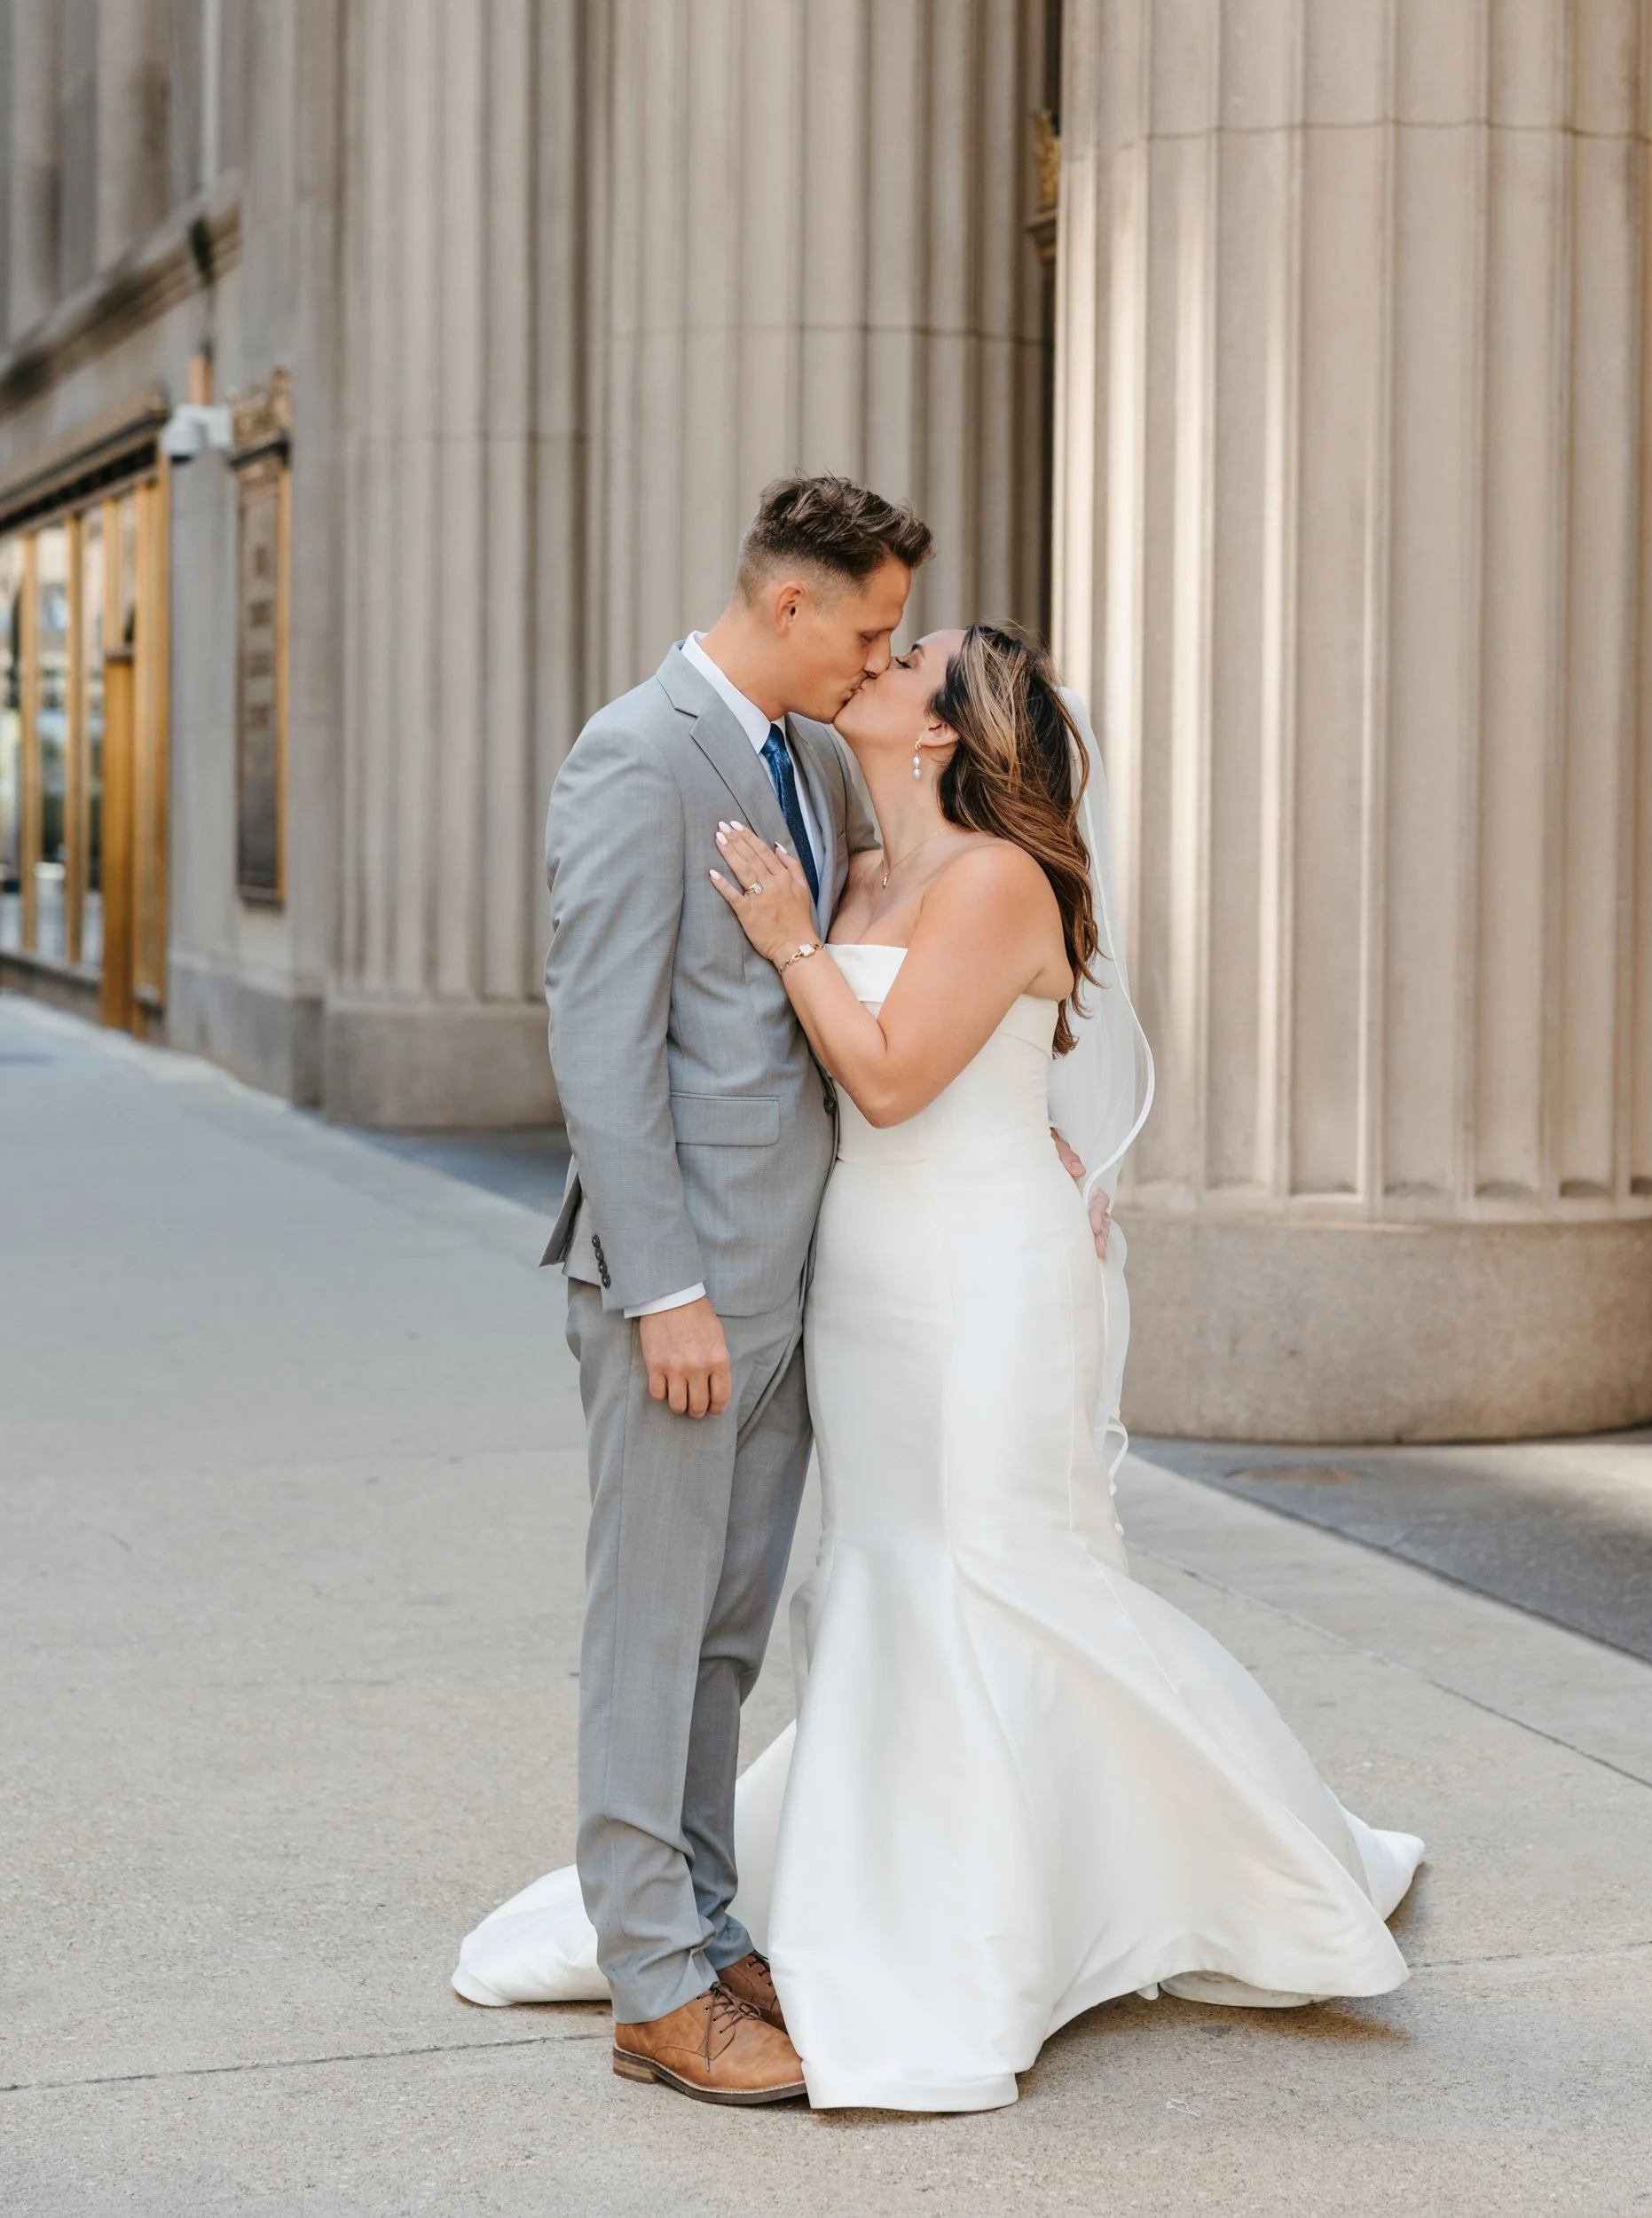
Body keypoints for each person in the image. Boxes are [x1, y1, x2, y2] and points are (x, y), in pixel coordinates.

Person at [457, 613, 1423, 2113]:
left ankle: (1110, 1894)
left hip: (984, 1281)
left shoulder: (991, 879)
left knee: (995, 1568)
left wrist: (792, 947)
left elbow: (896, 1079)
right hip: (866, 1282)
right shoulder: (853, 857)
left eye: (912, 661)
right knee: (891, 1564)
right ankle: (839, 1887)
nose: (880, 661)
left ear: (945, 731)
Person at [521, 474, 932, 2104]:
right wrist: (661, 1289)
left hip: (795, 1283)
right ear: (789, 606)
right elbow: (600, 1050)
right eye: (872, 629)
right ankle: (650, 1984)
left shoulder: (814, 760)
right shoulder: (636, 754)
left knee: (723, 1636)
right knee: (649, 1628)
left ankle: (700, 1923)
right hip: (685, 1293)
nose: (878, 659)